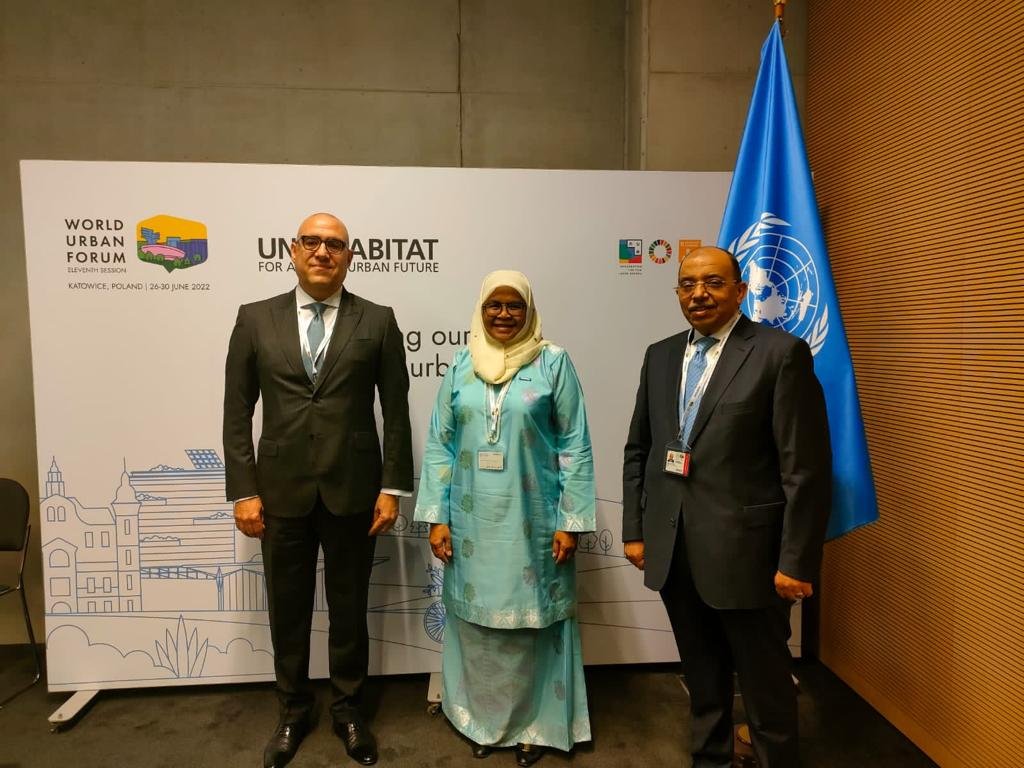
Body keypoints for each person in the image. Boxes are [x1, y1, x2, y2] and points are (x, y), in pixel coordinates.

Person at [622, 246, 831, 768]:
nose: (699, 294)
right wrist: (635, 530)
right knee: (702, 677)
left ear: (739, 292)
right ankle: (710, 759)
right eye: (688, 284)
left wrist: (796, 561)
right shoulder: (660, 355)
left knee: (765, 687)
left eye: (713, 283)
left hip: (749, 557)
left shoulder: (779, 354)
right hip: (675, 549)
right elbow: (639, 450)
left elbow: (804, 468)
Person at [223, 212, 413, 768]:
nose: (322, 251)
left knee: (349, 608)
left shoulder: (377, 320)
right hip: (279, 494)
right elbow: (237, 411)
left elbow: (396, 412)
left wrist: (392, 487)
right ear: (293, 250)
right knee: (288, 611)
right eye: (312, 241)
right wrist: (243, 490)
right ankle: (292, 711)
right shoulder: (254, 319)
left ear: (349, 256)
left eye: (334, 244)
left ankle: (349, 710)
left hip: (354, 491)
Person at [414, 270, 594, 767]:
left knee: (531, 624)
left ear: (529, 311)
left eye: (515, 305)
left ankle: (536, 725)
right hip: (471, 523)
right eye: (494, 305)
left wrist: (570, 520)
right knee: (478, 626)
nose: (504, 314)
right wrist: (436, 517)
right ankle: (481, 721)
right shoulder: (461, 364)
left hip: (535, 522)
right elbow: (440, 444)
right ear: (481, 309)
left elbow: (575, 445)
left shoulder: (553, 362)